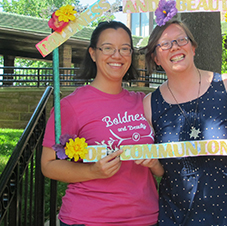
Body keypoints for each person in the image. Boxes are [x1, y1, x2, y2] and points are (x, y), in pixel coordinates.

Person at [143, 19, 227, 225]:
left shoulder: (226, 85)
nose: (174, 47)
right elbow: (160, 169)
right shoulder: (150, 104)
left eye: (181, 40)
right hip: (177, 216)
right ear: (156, 57)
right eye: (165, 44)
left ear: (192, 47)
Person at [41, 21, 163, 226]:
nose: (117, 55)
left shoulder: (143, 102)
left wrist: (155, 163)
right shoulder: (71, 106)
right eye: (107, 48)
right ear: (93, 53)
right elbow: (48, 165)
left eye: (125, 49)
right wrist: (91, 172)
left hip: (145, 217)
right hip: (89, 218)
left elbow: (160, 170)